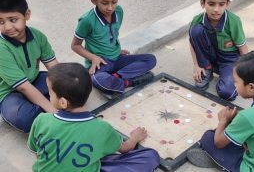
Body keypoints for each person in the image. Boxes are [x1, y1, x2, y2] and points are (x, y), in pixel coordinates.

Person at [27, 63, 160, 172]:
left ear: (62, 102)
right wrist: (134, 138)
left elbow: (38, 154)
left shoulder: (41, 120)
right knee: (150, 156)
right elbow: (125, 148)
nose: (49, 95)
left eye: (50, 92)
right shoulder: (101, 128)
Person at [187, 50, 254, 172]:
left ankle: (219, 162)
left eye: (236, 82)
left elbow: (218, 143)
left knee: (208, 137)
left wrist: (223, 120)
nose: (234, 85)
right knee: (241, 138)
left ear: (251, 87)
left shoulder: (247, 117)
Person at [71, 0, 156, 98]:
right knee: (98, 79)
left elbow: (112, 34)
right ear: (94, 1)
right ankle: (129, 82)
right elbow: (75, 45)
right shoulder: (87, 20)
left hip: (117, 58)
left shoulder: (119, 12)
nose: (110, 8)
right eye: (105, 3)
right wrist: (93, 58)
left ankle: (115, 79)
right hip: (100, 63)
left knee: (150, 59)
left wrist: (116, 49)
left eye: (114, 2)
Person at [0, 0, 58, 133]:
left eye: (13, 20)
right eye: (0, 21)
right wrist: (52, 110)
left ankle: (41, 106)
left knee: (72, 83)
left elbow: (55, 68)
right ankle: (45, 113)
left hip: (34, 80)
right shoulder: (1, 48)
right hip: (9, 93)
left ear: (27, 15)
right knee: (21, 116)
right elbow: (23, 87)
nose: (7, 27)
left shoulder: (38, 36)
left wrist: (67, 86)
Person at [189, 0, 248, 101]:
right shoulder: (197, 20)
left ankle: (225, 73)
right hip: (208, 56)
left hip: (228, 59)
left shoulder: (233, 21)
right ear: (203, 3)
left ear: (227, 4)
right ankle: (207, 68)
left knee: (227, 93)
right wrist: (196, 65)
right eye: (211, 4)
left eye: (221, 4)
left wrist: (244, 73)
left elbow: (243, 49)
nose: (216, 9)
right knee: (195, 31)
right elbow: (192, 43)